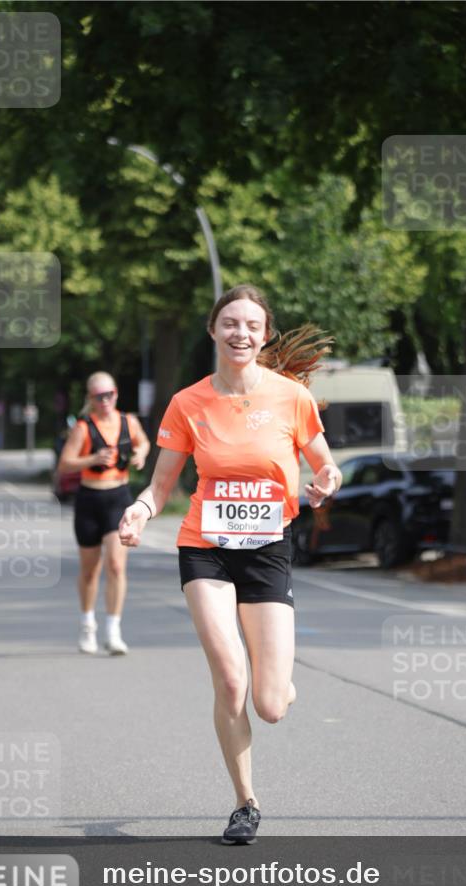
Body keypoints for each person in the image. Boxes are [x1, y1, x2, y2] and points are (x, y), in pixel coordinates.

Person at [119, 285, 342, 843]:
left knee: (270, 704)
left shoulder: (292, 397)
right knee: (229, 677)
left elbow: (325, 464)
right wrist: (140, 511)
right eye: (230, 323)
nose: (240, 333)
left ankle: (279, 682)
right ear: (213, 330)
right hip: (206, 548)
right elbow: (160, 485)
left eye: (251, 325)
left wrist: (325, 482)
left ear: (264, 336)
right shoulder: (188, 403)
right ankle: (245, 803)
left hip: (268, 550)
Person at [58, 372, 150, 655]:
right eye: (99, 396)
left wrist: (141, 454)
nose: (105, 400)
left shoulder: (128, 421)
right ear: (91, 399)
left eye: (109, 394)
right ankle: (88, 625)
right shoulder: (83, 428)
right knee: (90, 571)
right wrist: (93, 459)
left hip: (118, 497)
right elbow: (65, 464)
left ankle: (113, 631)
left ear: (116, 394)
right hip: (89, 499)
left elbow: (143, 442)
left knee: (116, 565)